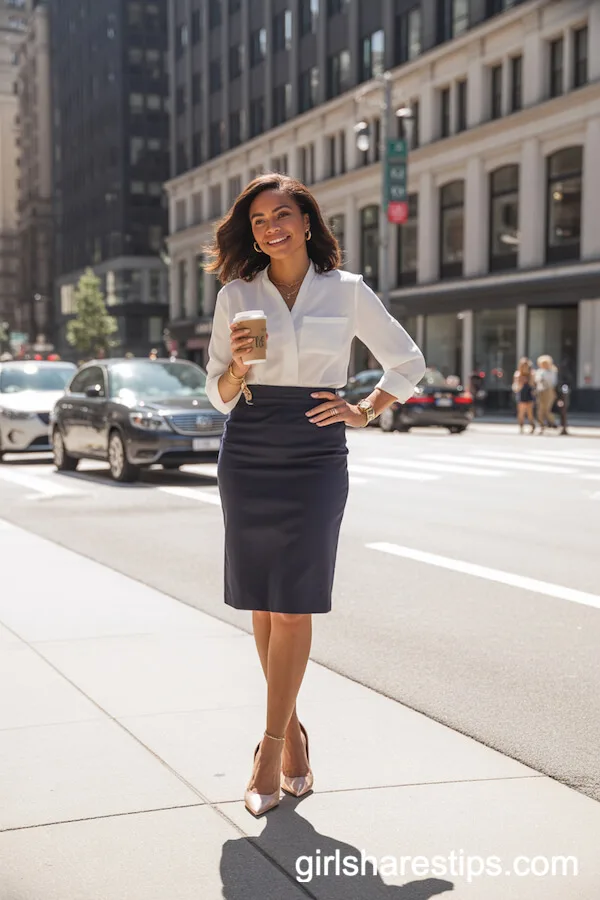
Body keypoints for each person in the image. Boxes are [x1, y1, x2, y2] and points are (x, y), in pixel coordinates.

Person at [204, 174, 425, 818]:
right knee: (265, 604)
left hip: (314, 449)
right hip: (249, 445)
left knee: (295, 600)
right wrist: (241, 368)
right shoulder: (235, 295)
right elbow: (217, 394)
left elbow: (406, 360)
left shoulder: (347, 291)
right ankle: (294, 730)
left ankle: (270, 747)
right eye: (259, 221)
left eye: (282, 214)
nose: (271, 227)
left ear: (306, 221)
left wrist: (365, 410)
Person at [535, 354, 558, 433]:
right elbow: (536, 380)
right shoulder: (539, 372)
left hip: (549, 390)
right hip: (540, 391)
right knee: (540, 409)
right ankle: (541, 425)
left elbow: (553, 382)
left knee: (547, 409)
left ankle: (552, 422)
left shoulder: (552, 371)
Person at [512, 357, 536, 433]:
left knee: (530, 412)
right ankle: (521, 426)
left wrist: (529, 379)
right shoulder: (518, 374)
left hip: (529, 393)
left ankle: (532, 426)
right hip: (521, 393)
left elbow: (533, 385)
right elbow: (516, 387)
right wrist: (521, 381)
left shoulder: (531, 373)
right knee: (521, 412)